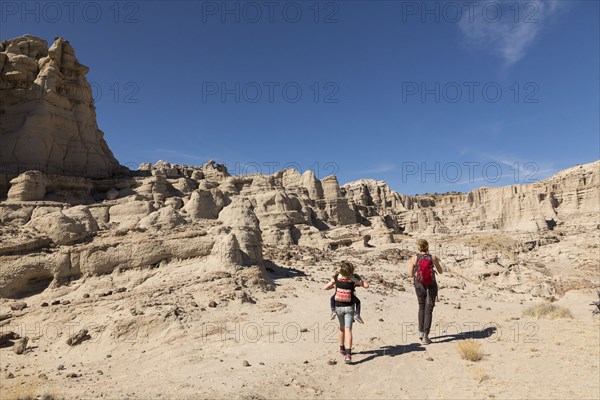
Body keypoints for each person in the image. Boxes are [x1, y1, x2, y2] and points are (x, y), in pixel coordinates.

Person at [324, 261, 369, 364]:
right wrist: (359, 281)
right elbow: (366, 286)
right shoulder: (353, 278)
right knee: (348, 330)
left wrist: (334, 287)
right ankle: (348, 355)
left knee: (341, 328)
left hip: (338, 307)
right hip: (349, 307)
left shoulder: (336, 277)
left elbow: (325, 287)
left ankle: (342, 349)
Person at [409, 239, 443, 345]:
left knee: (421, 307)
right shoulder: (432, 257)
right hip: (431, 286)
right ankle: (425, 337)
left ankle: (420, 332)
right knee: (429, 310)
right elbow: (440, 271)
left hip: (419, 285)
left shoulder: (414, 258)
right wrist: (437, 261)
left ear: (419, 248)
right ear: (427, 247)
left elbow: (410, 274)